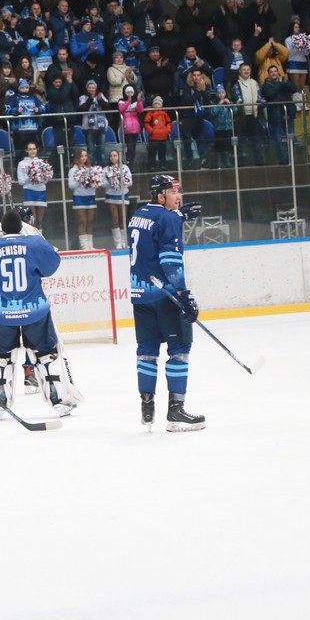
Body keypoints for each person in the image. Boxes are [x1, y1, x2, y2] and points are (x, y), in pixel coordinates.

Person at [0, 210, 81, 417]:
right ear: (21, 227)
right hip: (34, 309)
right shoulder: (34, 243)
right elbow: (50, 267)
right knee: (46, 354)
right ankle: (60, 400)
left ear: (2, 229)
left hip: (0, 312)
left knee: (0, 357)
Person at [127, 175, 206, 430]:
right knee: (179, 349)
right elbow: (170, 261)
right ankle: (176, 411)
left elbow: (153, 232)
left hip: (140, 295)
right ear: (160, 196)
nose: (178, 197)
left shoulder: (138, 215)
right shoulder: (168, 217)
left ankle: (147, 408)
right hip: (166, 296)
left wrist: (178, 216)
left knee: (147, 351)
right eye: (173, 192)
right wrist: (184, 295)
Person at [68, 148, 104, 249]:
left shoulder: (91, 169)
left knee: (90, 222)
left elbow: (96, 184)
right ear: (77, 157)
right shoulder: (73, 170)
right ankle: (84, 246)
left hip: (91, 197)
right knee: (82, 221)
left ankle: (90, 246)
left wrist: (94, 181)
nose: (84, 158)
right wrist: (80, 179)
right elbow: (71, 185)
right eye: (81, 156)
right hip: (79, 198)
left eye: (85, 156)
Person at [103, 147, 133, 249]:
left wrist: (122, 181)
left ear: (119, 157)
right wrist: (111, 181)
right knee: (115, 218)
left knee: (123, 219)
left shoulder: (125, 167)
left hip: (123, 195)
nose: (113, 157)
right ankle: (118, 243)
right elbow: (103, 183)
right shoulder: (106, 169)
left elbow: (130, 182)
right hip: (111, 196)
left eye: (115, 155)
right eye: (111, 156)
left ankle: (124, 242)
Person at [15, 141, 50, 226]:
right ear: (26, 150)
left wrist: (43, 176)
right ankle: (33, 234)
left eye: (34, 149)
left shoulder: (42, 163)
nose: (32, 151)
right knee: (32, 220)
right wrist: (31, 174)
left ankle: (40, 234)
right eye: (30, 149)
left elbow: (45, 181)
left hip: (41, 191)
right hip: (29, 191)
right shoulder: (22, 163)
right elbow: (21, 182)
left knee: (39, 220)